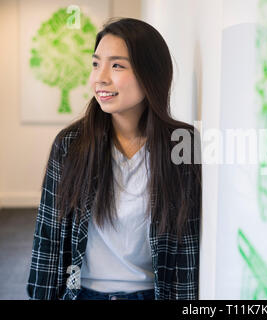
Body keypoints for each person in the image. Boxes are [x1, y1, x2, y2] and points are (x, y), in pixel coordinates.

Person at [26, 17, 202, 300]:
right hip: (82, 294)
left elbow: (187, 246)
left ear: (151, 74)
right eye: (96, 64)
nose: (100, 78)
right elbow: (48, 236)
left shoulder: (183, 144)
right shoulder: (70, 144)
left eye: (117, 65)